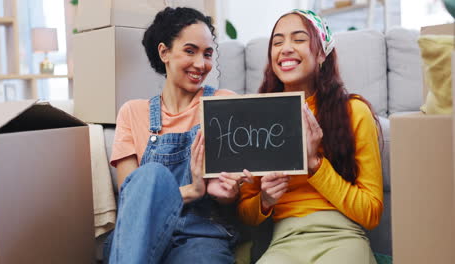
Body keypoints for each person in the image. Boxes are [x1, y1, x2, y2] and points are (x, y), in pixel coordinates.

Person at [238, 9, 383, 264]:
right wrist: (265, 200)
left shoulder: (354, 112)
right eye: (277, 42)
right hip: (284, 241)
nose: (285, 48)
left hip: (342, 237)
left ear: (321, 53)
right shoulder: (259, 116)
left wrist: (315, 163)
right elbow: (246, 214)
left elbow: (371, 212)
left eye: (299, 39)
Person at [104, 7, 246, 264]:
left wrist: (229, 192)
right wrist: (192, 190)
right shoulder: (133, 112)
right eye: (190, 51)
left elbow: (238, 190)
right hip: (141, 233)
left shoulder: (224, 104)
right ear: (164, 52)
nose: (201, 64)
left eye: (207, 53)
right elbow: (133, 200)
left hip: (201, 234)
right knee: (149, 176)